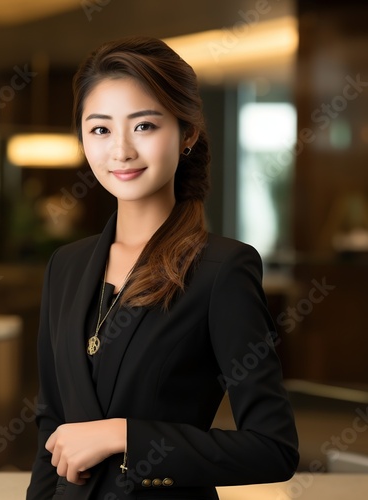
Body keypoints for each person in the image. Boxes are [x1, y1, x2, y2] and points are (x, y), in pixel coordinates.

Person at [26, 36, 299, 500]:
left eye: (145, 126)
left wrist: (125, 436)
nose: (121, 151)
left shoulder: (222, 270)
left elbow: (273, 448)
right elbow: (53, 428)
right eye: (100, 129)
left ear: (187, 133)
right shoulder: (67, 265)